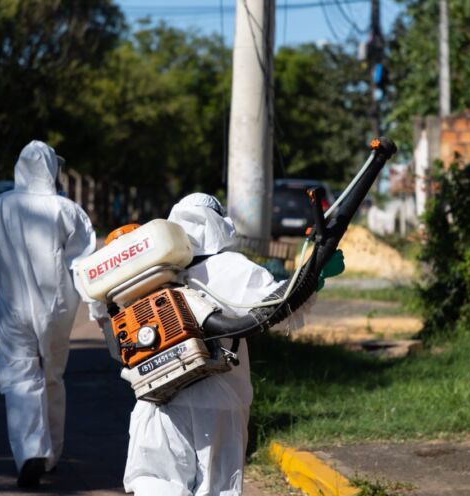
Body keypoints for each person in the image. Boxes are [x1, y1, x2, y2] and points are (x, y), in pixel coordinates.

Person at [118, 193, 343, 496]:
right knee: (215, 488)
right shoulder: (228, 267)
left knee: (153, 481)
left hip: (157, 398)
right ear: (217, 224)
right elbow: (281, 306)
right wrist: (315, 277)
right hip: (217, 404)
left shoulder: (148, 273)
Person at [0, 140, 96, 488]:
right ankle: (51, 456)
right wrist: (100, 308)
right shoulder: (69, 210)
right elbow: (86, 266)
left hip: (13, 310)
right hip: (60, 309)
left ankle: (30, 452)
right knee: (52, 376)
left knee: (21, 377)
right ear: (53, 169)